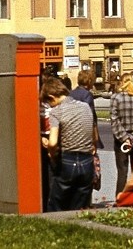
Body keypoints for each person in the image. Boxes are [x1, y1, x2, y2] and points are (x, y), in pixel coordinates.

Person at [41, 77, 97, 212]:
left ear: (51, 97)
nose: (50, 106)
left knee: (56, 204)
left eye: (49, 102)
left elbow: (53, 142)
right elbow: (94, 136)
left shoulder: (57, 112)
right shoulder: (85, 107)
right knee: (79, 207)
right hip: (87, 162)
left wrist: (51, 151)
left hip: (67, 161)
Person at [69, 69, 102, 148]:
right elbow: (90, 116)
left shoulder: (71, 93)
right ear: (89, 81)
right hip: (84, 132)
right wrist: (95, 136)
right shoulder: (87, 94)